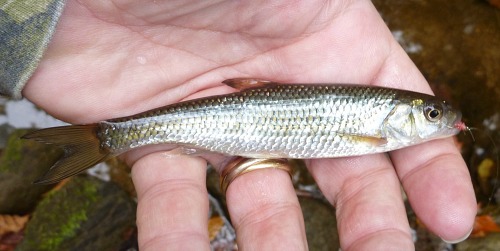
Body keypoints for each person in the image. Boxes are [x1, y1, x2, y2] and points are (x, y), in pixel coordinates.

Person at [3, 1, 476, 249]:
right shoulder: (373, 130)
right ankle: (107, 138)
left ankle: (110, 136)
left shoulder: (378, 119)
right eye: (431, 115)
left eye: (433, 114)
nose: (439, 120)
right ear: (400, 116)